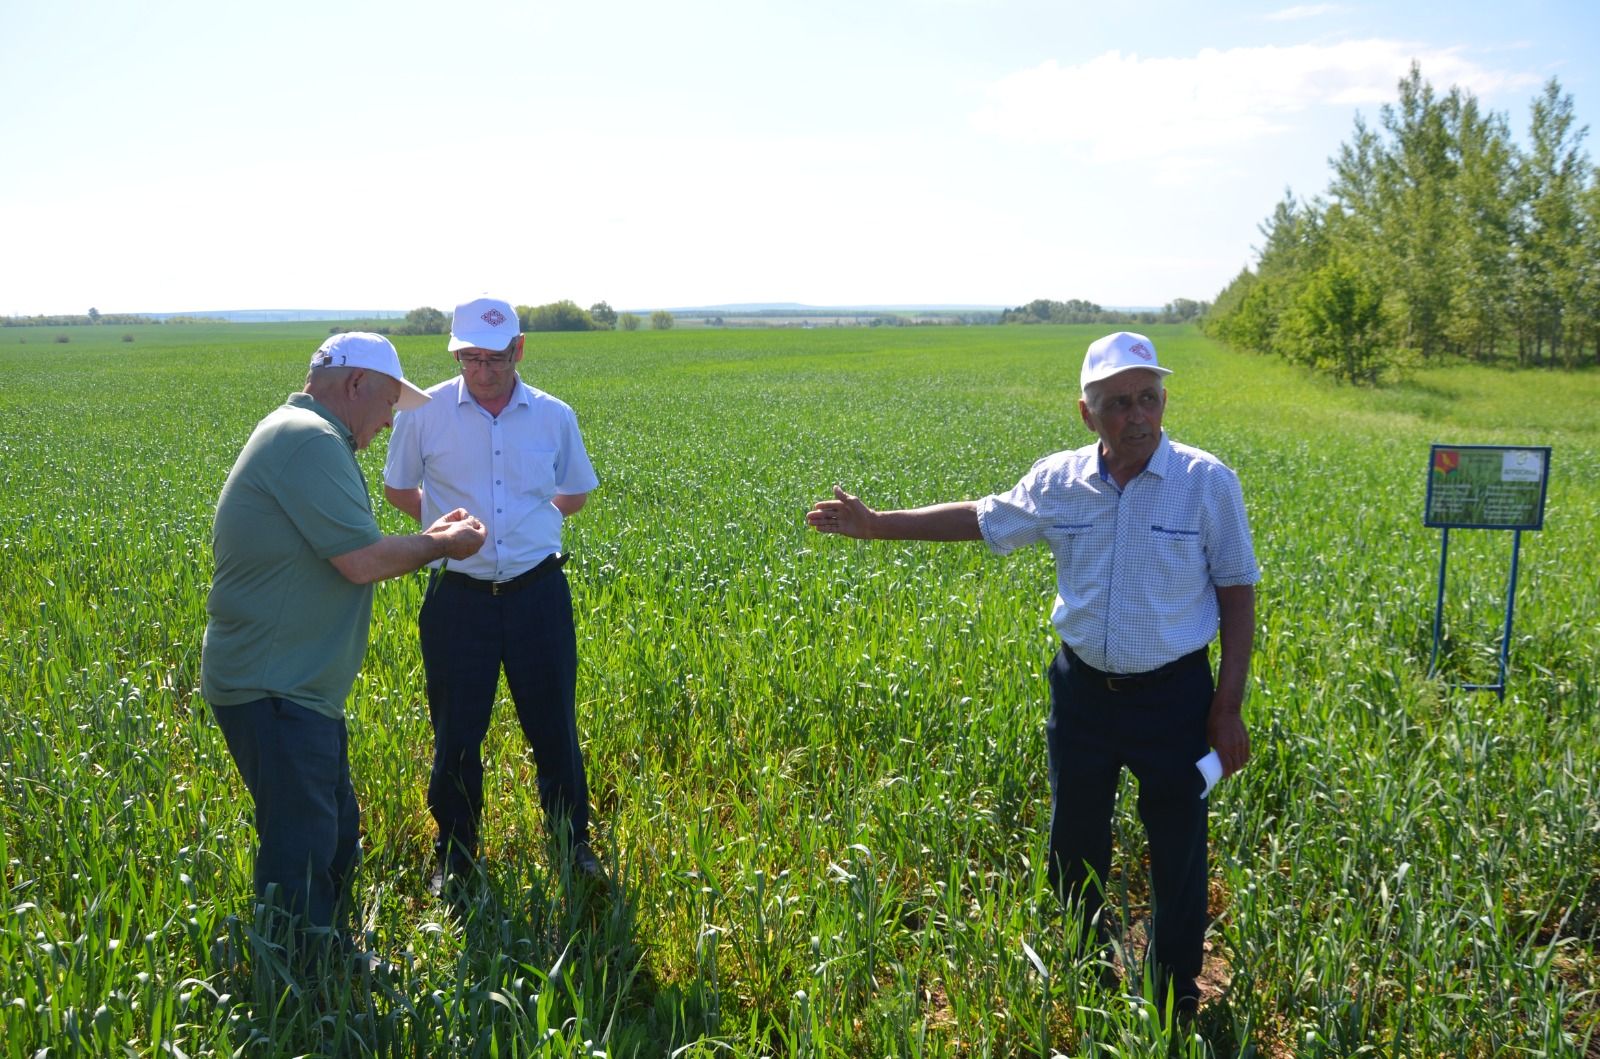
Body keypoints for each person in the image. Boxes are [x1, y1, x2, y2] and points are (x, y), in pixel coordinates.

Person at [806, 331, 1259, 1015]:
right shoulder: (1059, 481)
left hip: (1176, 698)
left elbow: (1237, 593)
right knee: (1073, 836)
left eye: (1148, 398)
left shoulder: (1206, 483)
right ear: (1086, 413)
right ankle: (1084, 961)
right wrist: (879, 525)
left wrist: (1226, 706)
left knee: (1178, 845)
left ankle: (1175, 991)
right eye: (1117, 403)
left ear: (1164, 400)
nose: (1136, 415)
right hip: (1082, 695)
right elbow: (984, 519)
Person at [202, 332, 487, 963]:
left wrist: (428, 536)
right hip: (274, 687)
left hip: (296, 689)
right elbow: (360, 561)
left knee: (331, 835)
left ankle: (326, 956)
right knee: (301, 846)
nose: (390, 421)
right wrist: (440, 544)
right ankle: (294, 982)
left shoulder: (304, 435)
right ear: (356, 385)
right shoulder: (308, 441)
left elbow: (352, 547)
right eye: (388, 402)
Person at [382, 295, 602, 896]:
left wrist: (527, 525)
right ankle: (454, 853)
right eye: (469, 358)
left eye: (495, 358)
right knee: (456, 731)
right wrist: (444, 532)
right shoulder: (423, 415)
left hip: (539, 595)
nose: (481, 372)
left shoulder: (555, 416)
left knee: (554, 725)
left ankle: (572, 844)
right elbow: (401, 490)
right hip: (459, 599)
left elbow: (575, 495)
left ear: (520, 350)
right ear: (456, 353)